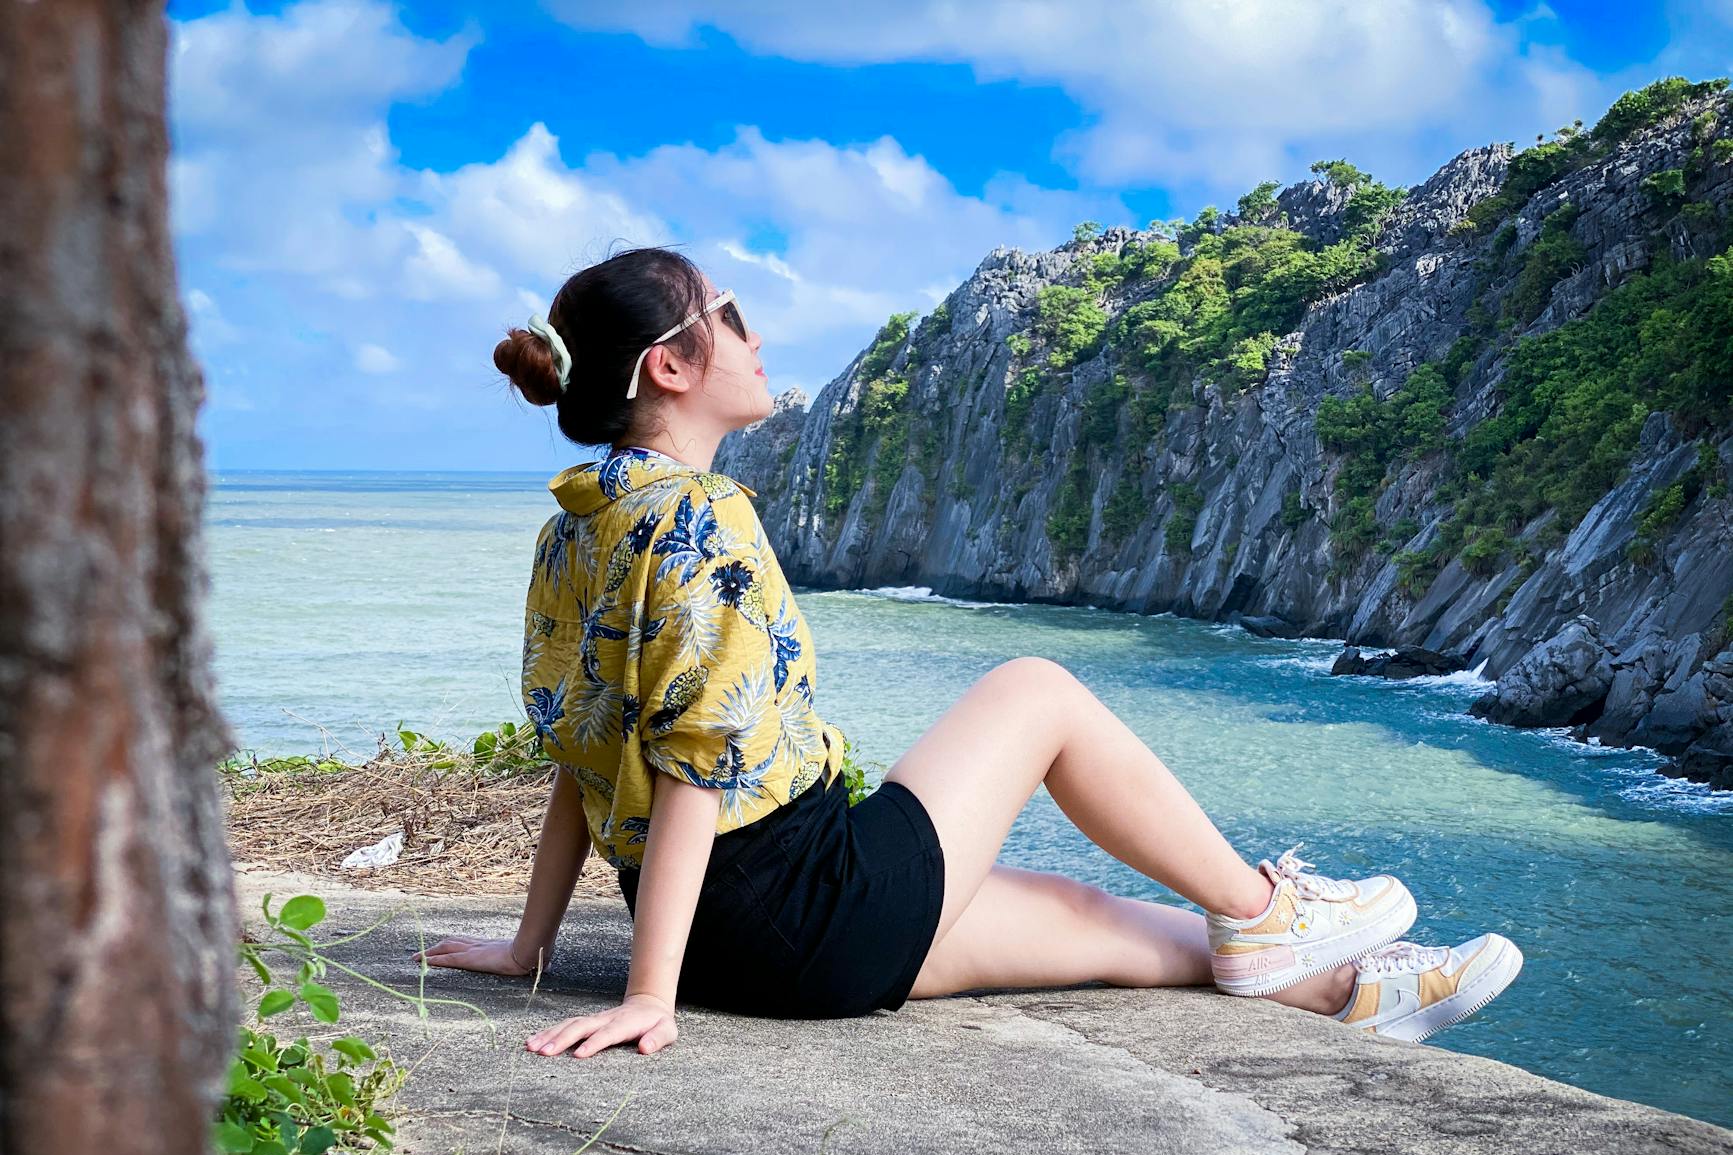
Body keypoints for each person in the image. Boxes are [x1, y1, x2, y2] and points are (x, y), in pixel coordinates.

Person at [419, 247, 1524, 1057]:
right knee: (1033, 688)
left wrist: (536, 944)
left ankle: (1343, 995)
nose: (756, 341)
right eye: (733, 315)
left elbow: (581, 749)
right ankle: (1266, 904)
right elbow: (693, 763)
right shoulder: (701, 517)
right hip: (800, 899)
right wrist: (647, 996)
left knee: (1092, 919)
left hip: (734, 941)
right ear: (670, 365)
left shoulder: (574, 524)